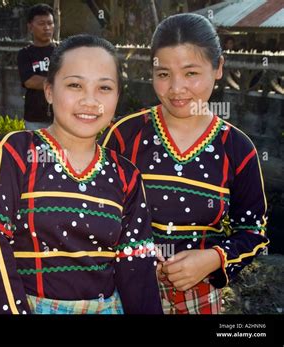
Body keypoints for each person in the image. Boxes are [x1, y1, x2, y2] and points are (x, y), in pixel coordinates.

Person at [0, 34, 163, 314]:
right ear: (49, 90)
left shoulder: (126, 175)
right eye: (75, 85)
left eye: (104, 88)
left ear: (118, 96)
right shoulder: (13, 153)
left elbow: (136, 268)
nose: (90, 100)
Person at [101, 13, 269, 314]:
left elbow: (253, 232)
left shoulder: (237, 148)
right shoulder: (126, 136)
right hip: (123, 292)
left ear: (218, 68)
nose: (177, 88)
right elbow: (95, 212)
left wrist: (214, 258)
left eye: (191, 73)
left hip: (199, 300)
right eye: (163, 74)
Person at [17, 3, 56, 130]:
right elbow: (29, 81)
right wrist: (60, 83)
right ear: (30, 26)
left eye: (50, 23)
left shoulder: (62, 52)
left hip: (60, 116)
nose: (47, 28)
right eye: (41, 24)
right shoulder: (25, 53)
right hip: (34, 118)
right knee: (35, 149)